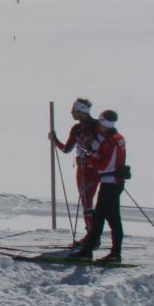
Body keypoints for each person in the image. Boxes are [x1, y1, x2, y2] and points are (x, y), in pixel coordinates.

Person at [73, 110, 127, 262]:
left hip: (110, 184)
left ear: (104, 124)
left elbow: (103, 165)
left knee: (111, 219)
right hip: (112, 183)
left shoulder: (111, 140)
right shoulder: (117, 137)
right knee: (100, 219)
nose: (98, 127)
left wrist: (89, 159)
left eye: (100, 123)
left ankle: (113, 254)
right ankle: (88, 250)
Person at [51, 98, 99, 233]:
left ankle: (92, 235)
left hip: (87, 167)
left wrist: (55, 140)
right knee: (89, 201)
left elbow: (66, 149)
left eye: (74, 111)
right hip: (97, 167)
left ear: (81, 111)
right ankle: (92, 234)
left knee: (87, 201)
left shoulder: (80, 128)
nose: (71, 113)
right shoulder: (96, 126)